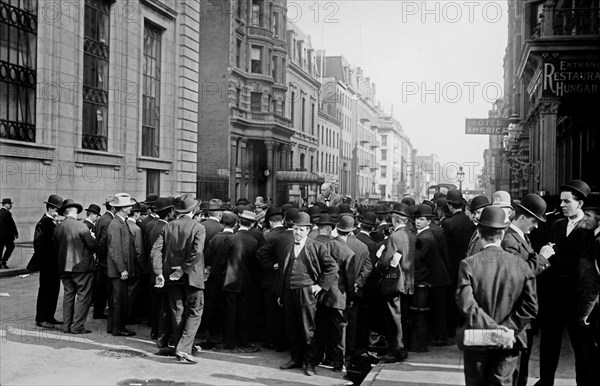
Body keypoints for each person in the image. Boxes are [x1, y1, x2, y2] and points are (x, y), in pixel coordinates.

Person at [456, 206, 537, 386]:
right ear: (503, 233)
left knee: (475, 382)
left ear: (478, 232)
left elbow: (466, 304)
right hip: (510, 339)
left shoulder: (468, 264)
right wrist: (505, 330)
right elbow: (530, 307)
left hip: (477, 337)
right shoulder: (522, 265)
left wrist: (492, 329)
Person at [537, 180, 595, 386]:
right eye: (561, 201)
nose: (561, 205)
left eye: (567, 201)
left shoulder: (591, 227)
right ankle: (545, 382)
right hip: (555, 296)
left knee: (582, 347)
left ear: (580, 204)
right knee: (549, 344)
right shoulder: (556, 225)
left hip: (578, 298)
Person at [501, 193, 554, 386]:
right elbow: (518, 274)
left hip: (523, 315)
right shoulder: (509, 240)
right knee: (514, 367)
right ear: (522, 217)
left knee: (522, 364)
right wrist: (542, 258)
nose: (537, 226)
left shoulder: (520, 236)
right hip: (515, 314)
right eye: (534, 221)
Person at [277, 212, 338, 376]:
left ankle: (310, 363)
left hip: (306, 293)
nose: (297, 232)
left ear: (308, 230)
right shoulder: (289, 247)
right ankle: (295, 359)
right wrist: (281, 293)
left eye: (301, 230)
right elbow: (284, 271)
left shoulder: (317, 246)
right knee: (292, 328)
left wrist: (320, 286)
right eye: (295, 229)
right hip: (289, 293)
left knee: (307, 329)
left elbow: (332, 267)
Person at [152, 193, 206, 364]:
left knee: (178, 311)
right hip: (192, 276)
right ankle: (183, 349)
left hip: (171, 277)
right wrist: (184, 269)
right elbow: (196, 252)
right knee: (195, 311)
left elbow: (155, 251)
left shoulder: (168, 226)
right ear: (194, 210)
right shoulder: (198, 227)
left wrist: (159, 272)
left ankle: (181, 346)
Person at [377, 203, 416, 363]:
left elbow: (386, 260)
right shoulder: (412, 234)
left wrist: (379, 264)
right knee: (403, 317)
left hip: (394, 281)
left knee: (394, 319)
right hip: (408, 281)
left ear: (394, 219)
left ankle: (397, 350)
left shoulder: (394, 236)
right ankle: (402, 347)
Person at [54, 199, 97, 334]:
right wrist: (94, 238)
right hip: (81, 267)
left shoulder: (58, 228)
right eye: (76, 209)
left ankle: (66, 326)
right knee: (83, 296)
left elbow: (56, 248)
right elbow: (93, 245)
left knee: (68, 295)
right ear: (73, 210)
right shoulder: (81, 226)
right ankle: (77, 326)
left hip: (64, 267)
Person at [256, 206, 294, 351]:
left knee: (270, 313)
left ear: (270, 222)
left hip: (270, 280)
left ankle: (271, 339)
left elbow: (260, 254)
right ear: (282, 220)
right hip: (287, 281)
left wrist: (272, 265)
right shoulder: (293, 235)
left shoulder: (268, 236)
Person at [414, 204, 452, 346]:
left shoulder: (424, 237)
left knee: (437, 310)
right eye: (417, 219)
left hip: (434, 278)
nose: (418, 222)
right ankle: (439, 337)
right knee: (438, 310)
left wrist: (417, 278)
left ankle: (439, 338)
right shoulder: (429, 233)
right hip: (439, 277)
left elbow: (421, 262)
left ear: (428, 221)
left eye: (421, 219)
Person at [576, 192, 600, 385]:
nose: (585, 218)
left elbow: (592, 282)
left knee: (590, 359)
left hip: (595, 313)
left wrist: (584, 313)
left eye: (589, 215)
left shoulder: (598, 242)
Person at [106, 193, 137, 337]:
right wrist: (122, 269)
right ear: (124, 208)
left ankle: (113, 326)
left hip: (118, 269)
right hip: (119, 270)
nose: (131, 207)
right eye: (129, 205)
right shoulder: (116, 224)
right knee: (120, 300)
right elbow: (115, 249)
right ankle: (119, 328)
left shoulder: (120, 222)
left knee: (116, 300)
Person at [32, 194, 64, 328]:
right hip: (47, 264)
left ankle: (49, 316)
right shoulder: (43, 223)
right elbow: (39, 245)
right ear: (50, 209)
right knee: (45, 291)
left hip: (54, 264)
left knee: (53, 291)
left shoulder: (52, 222)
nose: (58, 213)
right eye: (56, 210)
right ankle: (41, 318)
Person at [92, 195, 115, 319]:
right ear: (112, 207)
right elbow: (102, 242)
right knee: (105, 287)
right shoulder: (109, 220)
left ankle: (97, 311)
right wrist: (103, 259)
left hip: (102, 259)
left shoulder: (102, 219)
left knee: (100, 287)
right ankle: (100, 312)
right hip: (105, 259)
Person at [0, 198, 18, 269]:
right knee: (11, 247)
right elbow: (11, 225)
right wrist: (15, 233)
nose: (11, 205)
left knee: (0, 248)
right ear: (4, 204)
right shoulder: (7, 213)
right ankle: (4, 261)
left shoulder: (0, 212)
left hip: (1, 235)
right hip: (6, 236)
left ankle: (0, 262)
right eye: (9, 204)